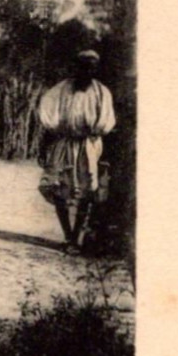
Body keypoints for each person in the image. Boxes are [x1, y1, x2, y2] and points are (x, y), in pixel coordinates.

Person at [37, 48, 118, 253]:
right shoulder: (60, 91)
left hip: (90, 145)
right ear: (76, 67)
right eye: (83, 66)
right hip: (63, 143)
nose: (86, 71)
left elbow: (105, 125)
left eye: (91, 68)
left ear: (95, 70)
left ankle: (77, 237)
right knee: (58, 189)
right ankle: (68, 236)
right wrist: (44, 147)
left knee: (87, 192)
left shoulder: (102, 93)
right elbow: (49, 121)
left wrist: (103, 156)